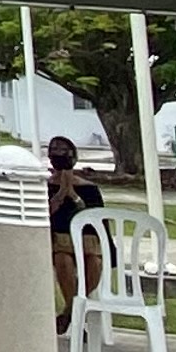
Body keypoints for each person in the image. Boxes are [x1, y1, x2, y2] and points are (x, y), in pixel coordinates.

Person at [46, 134, 106, 315]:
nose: (58, 153)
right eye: (54, 149)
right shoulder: (44, 185)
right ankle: (75, 311)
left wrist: (73, 195)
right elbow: (41, 216)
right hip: (55, 242)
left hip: (84, 243)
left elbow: (95, 219)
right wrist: (59, 196)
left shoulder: (89, 188)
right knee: (62, 259)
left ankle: (70, 311)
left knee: (94, 262)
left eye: (63, 150)